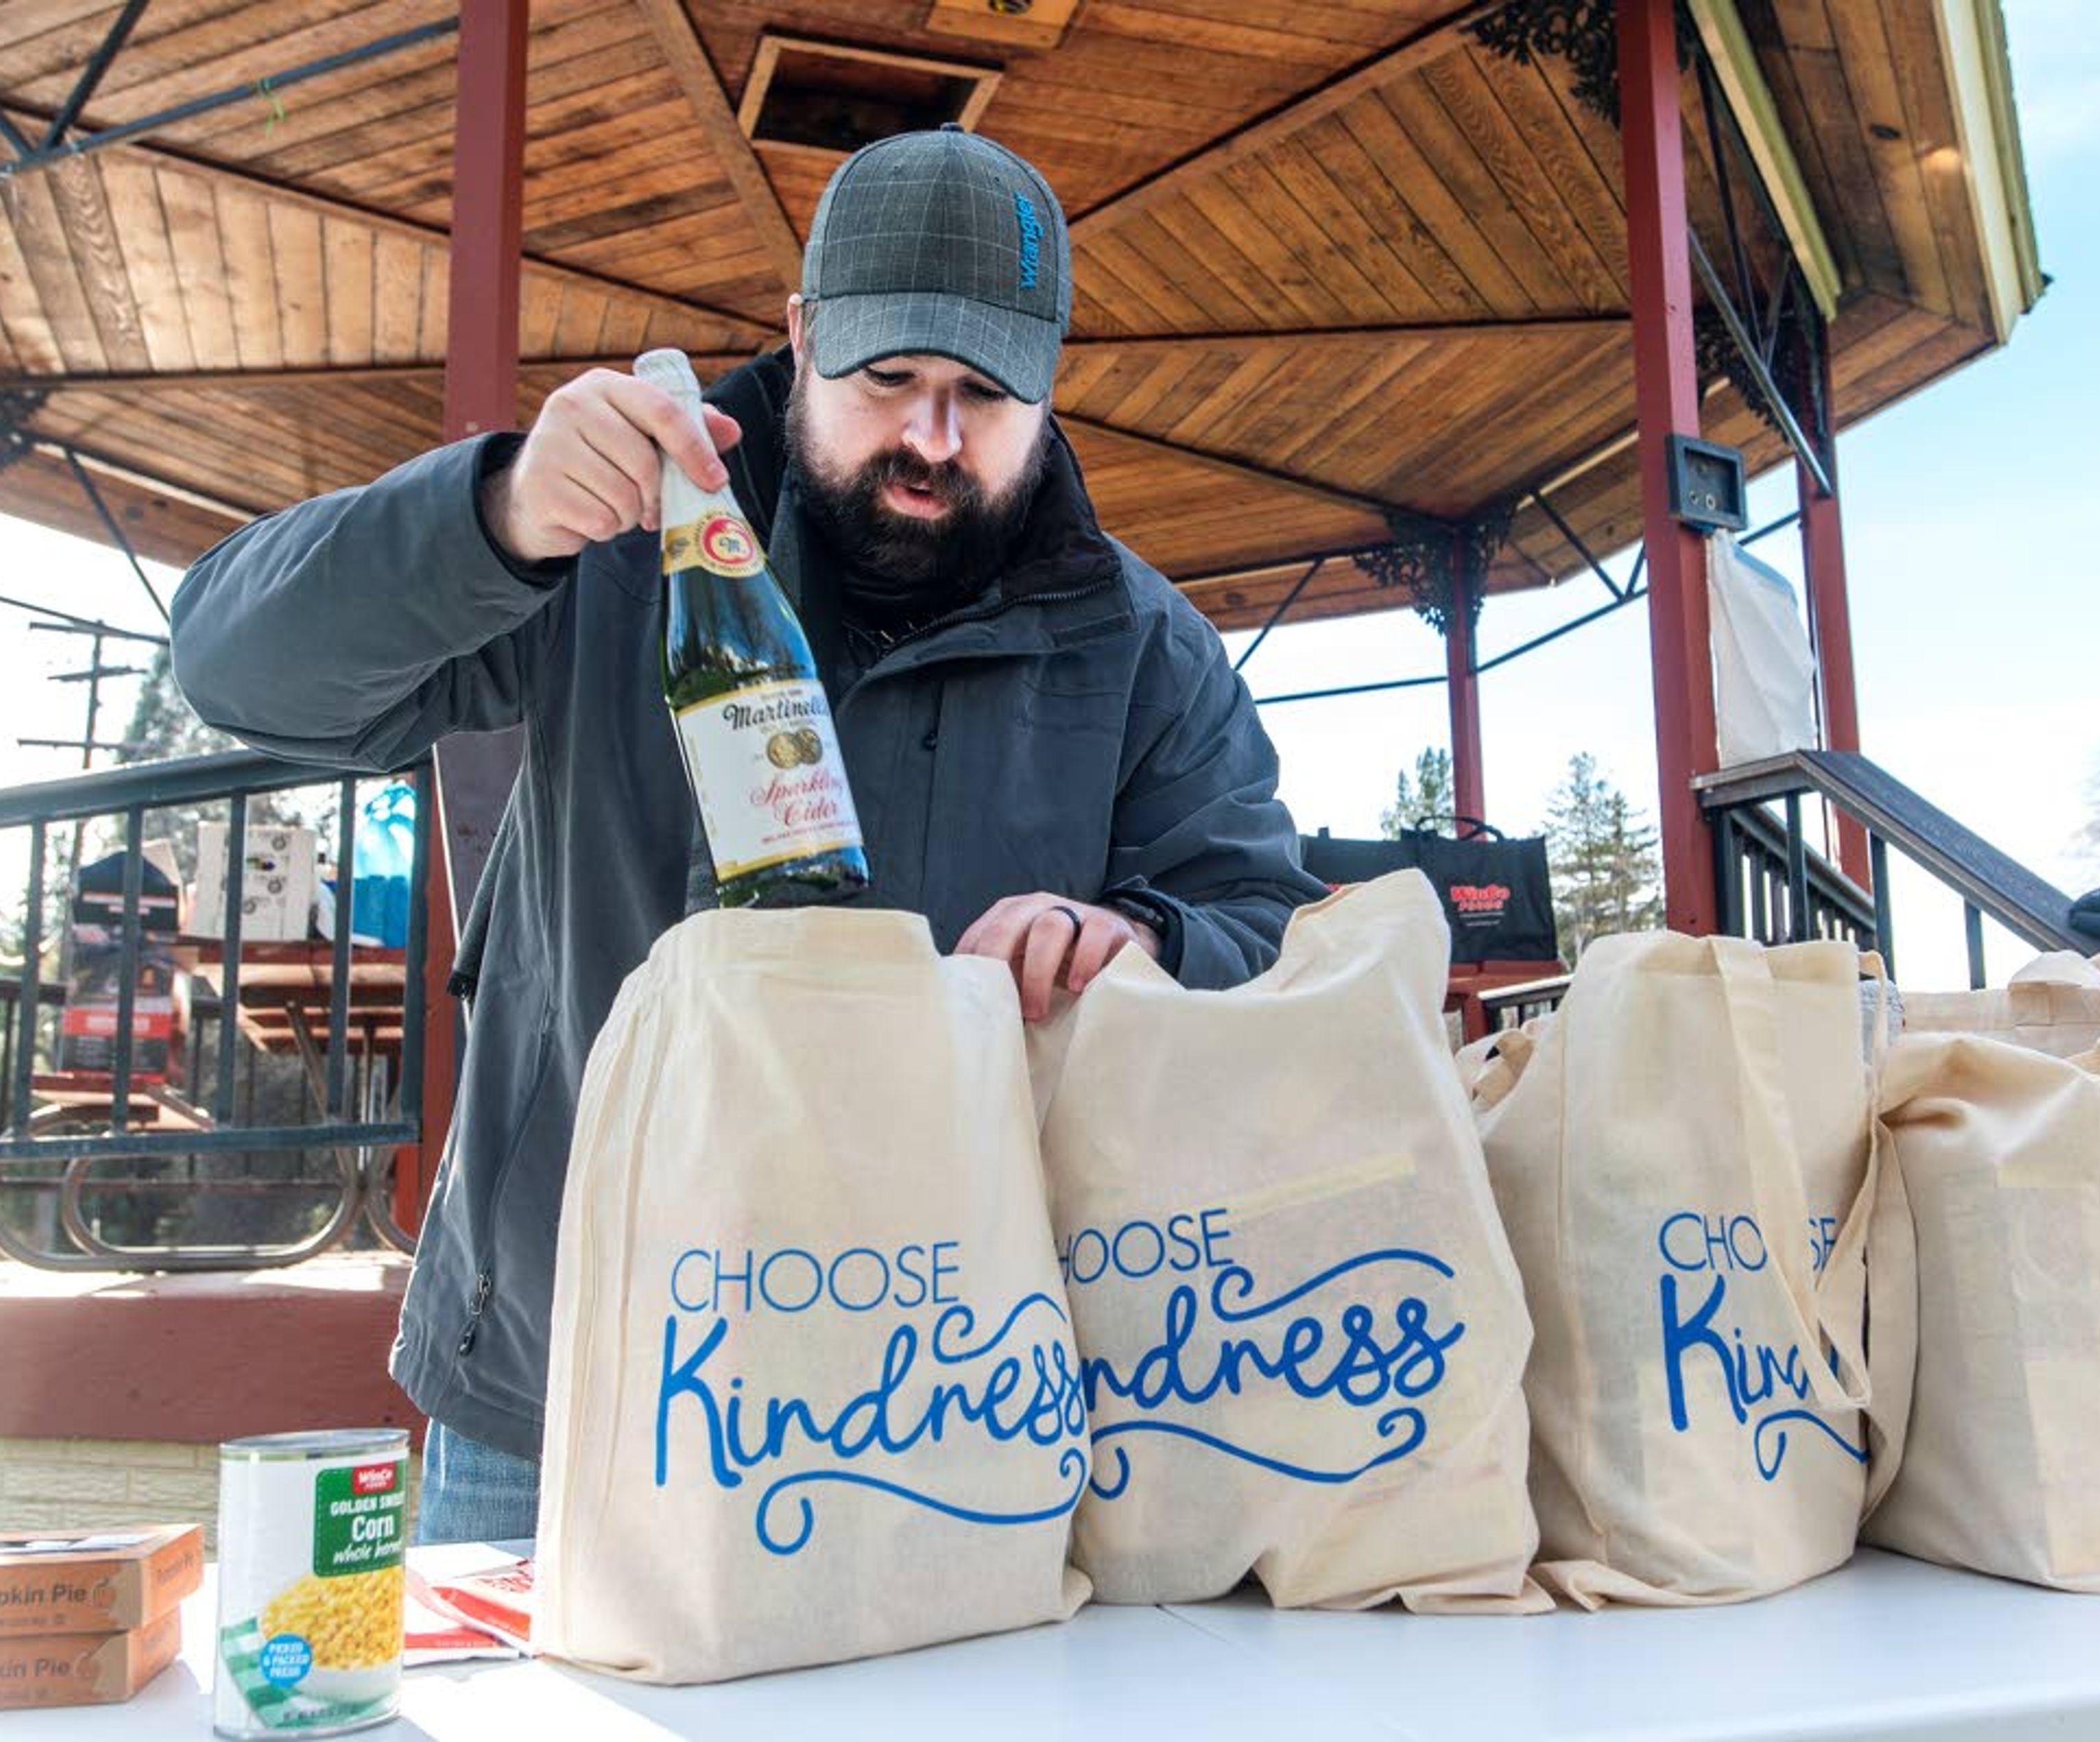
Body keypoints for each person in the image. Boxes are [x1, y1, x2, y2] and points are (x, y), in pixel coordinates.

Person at [170, 127, 1328, 1543]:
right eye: (890, 381)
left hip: (951, 1396)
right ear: (799, 336)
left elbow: (1265, 925)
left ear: (1052, 381)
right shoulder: (611, 537)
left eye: (984, 394)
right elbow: (238, 667)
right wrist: (497, 513)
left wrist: (1140, 942)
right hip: (564, 1374)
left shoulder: (1145, 646)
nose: (932, 440)